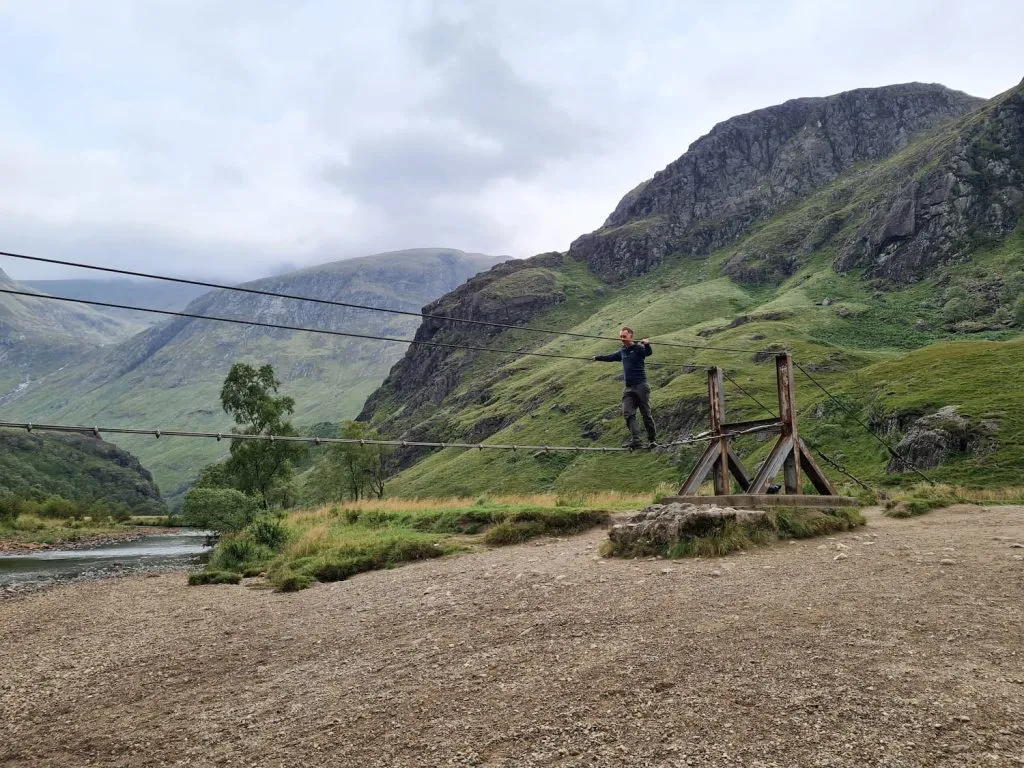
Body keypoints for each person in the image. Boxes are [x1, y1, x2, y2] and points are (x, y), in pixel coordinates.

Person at [592, 327, 657, 449]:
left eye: (624, 336)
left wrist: (647, 345)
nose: (622, 339)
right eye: (621, 336)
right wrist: (598, 357)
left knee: (645, 414)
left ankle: (652, 440)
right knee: (628, 413)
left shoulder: (638, 348)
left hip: (641, 386)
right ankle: (636, 440)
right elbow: (610, 357)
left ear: (631, 336)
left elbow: (648, 353)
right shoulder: (622, 351)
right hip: (629, 388)